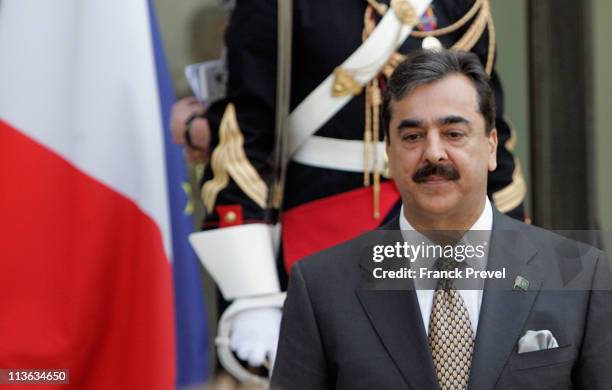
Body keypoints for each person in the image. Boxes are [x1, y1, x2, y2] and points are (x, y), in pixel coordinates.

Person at [181, 0, 528, 377]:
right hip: (324, 233)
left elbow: (491, 139)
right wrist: (253, 292)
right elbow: (245, 140)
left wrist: (515, 265)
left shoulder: (460, 5)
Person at [271, 49, 612, 390]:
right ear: (389, 153)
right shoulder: (320, 288)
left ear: (491, 146)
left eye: (453, 133)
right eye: (412, 137)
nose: (433, 153)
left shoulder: (581, 276)